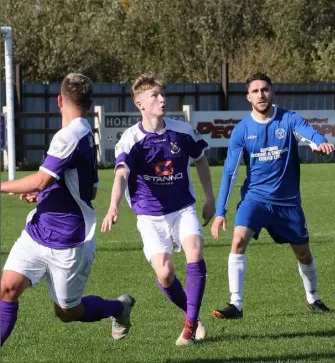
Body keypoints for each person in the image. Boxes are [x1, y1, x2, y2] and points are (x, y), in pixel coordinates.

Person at [0, 73, 135, 347]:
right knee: (7, 289)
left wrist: (23, 185)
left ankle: (118, 309)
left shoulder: (69, 136)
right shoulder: (86, 133)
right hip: (38, 231)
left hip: (68, 241)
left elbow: (41, 178)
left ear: (59, 100)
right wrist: (44, 192)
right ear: (88, 102)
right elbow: (89, 189)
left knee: (66, 312)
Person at [101, 72, 216, 346]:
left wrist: (210, 197)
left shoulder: (182, 130)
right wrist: (112, 206)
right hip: (149, 216)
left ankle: (188, 326)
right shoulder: (130, 139)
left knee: (195, 251)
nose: (162, 99)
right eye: (154, 95)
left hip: (182, 209)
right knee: (164, 273)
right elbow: (120, 175)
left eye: (162, 94)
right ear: (140, 104)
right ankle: (195, 318)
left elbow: (200, 160)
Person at [211, 72, 335, 319]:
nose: (261, 95)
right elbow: (229, 173)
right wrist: (220, 212)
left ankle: (313, 299)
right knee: (237, 241)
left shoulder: (288, 119)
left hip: (288, 204)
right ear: (248, 97)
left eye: (265, 89)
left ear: (272, 92)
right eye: (255, 91)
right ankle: (236, 305)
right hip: (255, 199)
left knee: (303, 253)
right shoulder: (241, 131)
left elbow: (309, 133)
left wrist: (320, 142)